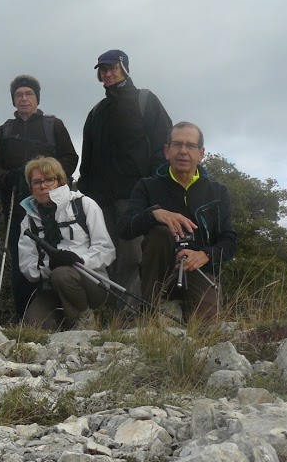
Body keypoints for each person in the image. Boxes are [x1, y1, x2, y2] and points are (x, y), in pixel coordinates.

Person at [118, 122, 237, 321]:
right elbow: (124, 228)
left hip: (199, 269)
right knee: (160, 233)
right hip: (159, 270)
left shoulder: (218, 192)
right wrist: (154, 214)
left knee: (206, 328)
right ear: (167, 150)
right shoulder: (147, 186)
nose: (183, 151)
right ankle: (148, 313)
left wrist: (205, 255)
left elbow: (229, 240)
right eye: (177, 144)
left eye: (190, 146)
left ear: (201, 153)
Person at [78, 50, 172, 298]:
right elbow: (86, 156)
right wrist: (84, 193)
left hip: (134, 196)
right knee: (105, 254)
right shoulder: (96, 112)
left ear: (125, 69)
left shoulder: (145, 100)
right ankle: (109, 314)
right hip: (100, 200)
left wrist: (154, 185)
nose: (108, 73)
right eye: (103, 70)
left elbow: (164, 145)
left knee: (132, 255)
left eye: (113, 68)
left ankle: (129, 315)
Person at [0, 75, 78, 321]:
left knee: (59, 251)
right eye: (19, 95)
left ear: (37, 97)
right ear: (13, 100)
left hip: (55, 206)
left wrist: (51, 179)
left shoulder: (53, 125)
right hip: (17, 205)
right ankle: (26, 315)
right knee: (22, 260)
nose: (24, 98)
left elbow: (70, 158)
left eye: (28, 94)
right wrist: (10, 178)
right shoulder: (3, 131)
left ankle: (64, 312)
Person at [17, 157, 116, 330]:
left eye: (49, 179)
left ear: (60, 181)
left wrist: (79, 260)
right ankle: (68, 321)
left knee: (62, 274)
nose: (43, 186)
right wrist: (49, 266)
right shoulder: (28, 220)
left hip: (92, 282)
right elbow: (27, 266)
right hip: (50, 287)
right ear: (30, 187)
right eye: (36, 182)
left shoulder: (84, 205)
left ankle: (86, 319)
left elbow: (106, 250)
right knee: (34, 325)